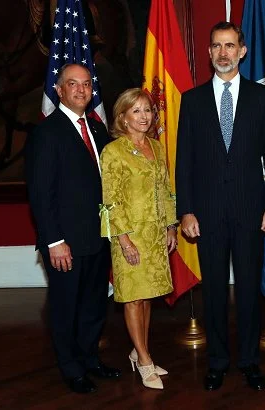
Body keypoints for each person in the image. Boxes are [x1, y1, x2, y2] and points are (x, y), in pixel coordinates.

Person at [176, 21, 265, 391]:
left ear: (242, 51)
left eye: (230, 45)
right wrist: (186, 210)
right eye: (217, 46)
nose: (223, 52)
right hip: (206, 214)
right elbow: (184, 161)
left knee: (250, 287)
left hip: (252, 211)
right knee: (215, 290)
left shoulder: (262, 98)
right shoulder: (191, 101)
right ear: (209, 52)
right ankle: (218, 361)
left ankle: (250, 360)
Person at [24, 63, 120, 394]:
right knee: (66, 306)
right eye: (72, 84)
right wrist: (54, 241)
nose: (81, 90)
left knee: (95, 304)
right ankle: (70, 367)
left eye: (86, 84)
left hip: (98, 237)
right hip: (66, 241)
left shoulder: (97, 130)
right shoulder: (47, 133)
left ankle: (90, 358)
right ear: (59, 90)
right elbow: (40, 193)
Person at [99, 88, 177, 390]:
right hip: (128, 237)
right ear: (123, 117)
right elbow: (109, 201)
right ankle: (144, 360)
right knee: (133, 298)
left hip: (155, 235)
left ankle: (138, 350)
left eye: (147, 110)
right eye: (136, 111)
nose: (144, 116)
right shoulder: (113, 151)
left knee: (146, 297)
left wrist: (171, 226)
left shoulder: (156, 148)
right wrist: (124, 240)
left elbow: (166, 190)